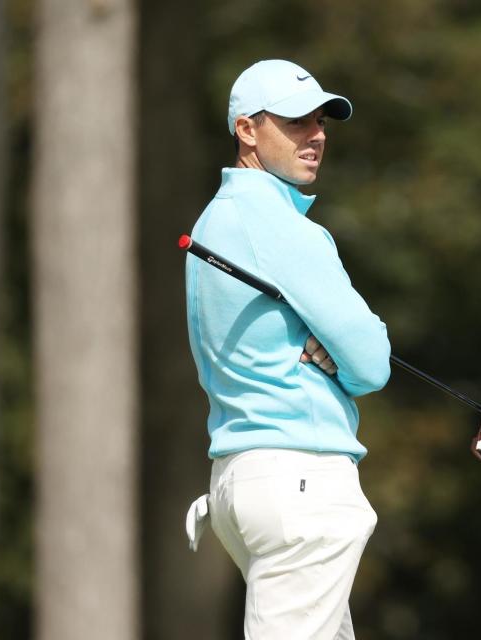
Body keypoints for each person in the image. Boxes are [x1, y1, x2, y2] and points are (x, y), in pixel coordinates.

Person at [183, 59, 391, 640]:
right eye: (297, 120)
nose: (316, 133)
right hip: (299, 480)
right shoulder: (280, 226)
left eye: (321, 120)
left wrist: (333, 356)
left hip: (242, 479)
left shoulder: (214, 221)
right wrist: (341, 363)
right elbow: (372, 361)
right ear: (247, 129)